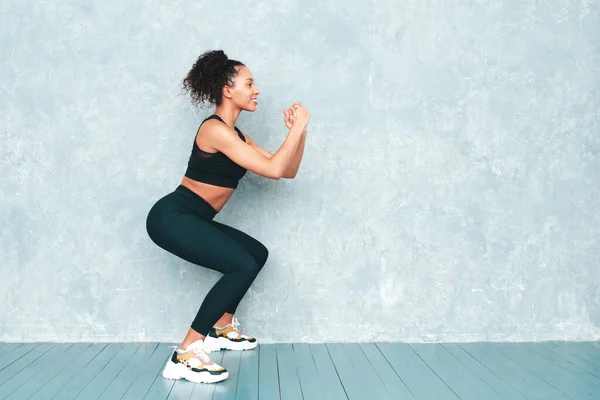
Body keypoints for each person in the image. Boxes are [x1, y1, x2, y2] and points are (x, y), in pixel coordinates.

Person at [145, 49, 310, 384]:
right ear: (227, 90)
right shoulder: (214, 130)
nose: (256, 90)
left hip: (193, 218)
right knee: (241, 264)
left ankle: (222, 327)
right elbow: (274, 169)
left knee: (255, 254)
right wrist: (298, 128)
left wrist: (299, 132)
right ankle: (186, 354)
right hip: (172, 216)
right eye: (249, 83)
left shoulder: (237, 135)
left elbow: (287, 170)